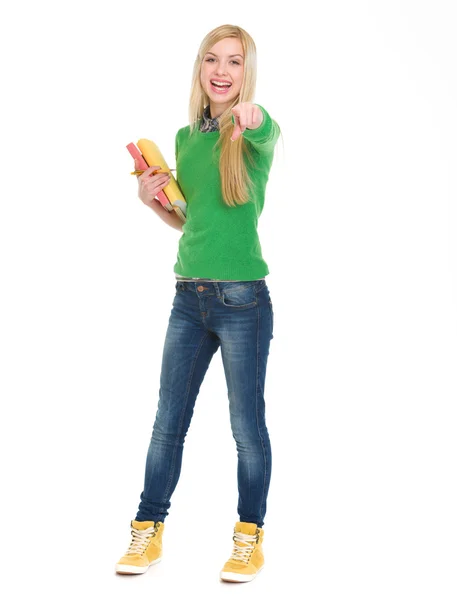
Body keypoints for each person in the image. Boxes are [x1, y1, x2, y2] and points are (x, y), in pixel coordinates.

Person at [116, 24, 281, 583]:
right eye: (213, 59)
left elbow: (264, 128)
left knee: (246, 427)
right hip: (189, 297)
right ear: (200, 68)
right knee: (167, 422)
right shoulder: (187, 139)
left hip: (244, 303)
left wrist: (253, 119)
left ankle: (248, 538)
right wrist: (152, 198)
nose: (222, 71)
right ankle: (147, 530)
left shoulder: (254, 132)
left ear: (246, 74)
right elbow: (190, 222)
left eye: (235, 62)